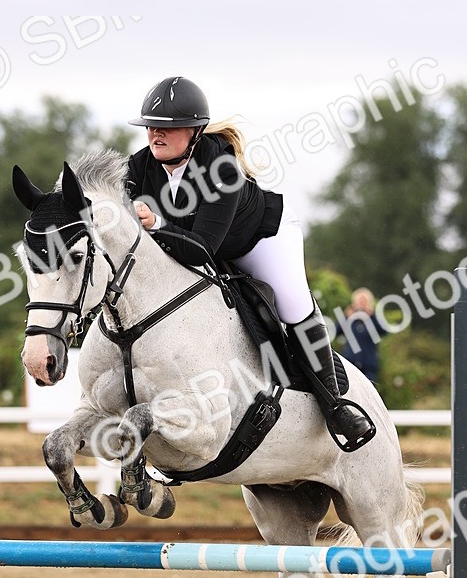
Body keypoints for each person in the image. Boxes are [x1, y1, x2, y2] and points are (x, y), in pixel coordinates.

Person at [125, 76, 374, 449]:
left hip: (260, 240)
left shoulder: (222, 170)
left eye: (168, 128)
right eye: (151, 126)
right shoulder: (138, 166)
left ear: (194, 132)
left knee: (291, 304)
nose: (155, 134)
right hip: (195, 244)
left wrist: (158, 223)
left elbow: (204, 248)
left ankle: (335, 405)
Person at [340, 288, 386, 384]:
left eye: (364, 302)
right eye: (359, 302)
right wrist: (346, 316)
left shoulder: (373, 319)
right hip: (350, 363)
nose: (361, 305)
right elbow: (335, 331)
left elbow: (383, 331)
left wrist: (372, 315)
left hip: (368, 365)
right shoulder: (350, 319)